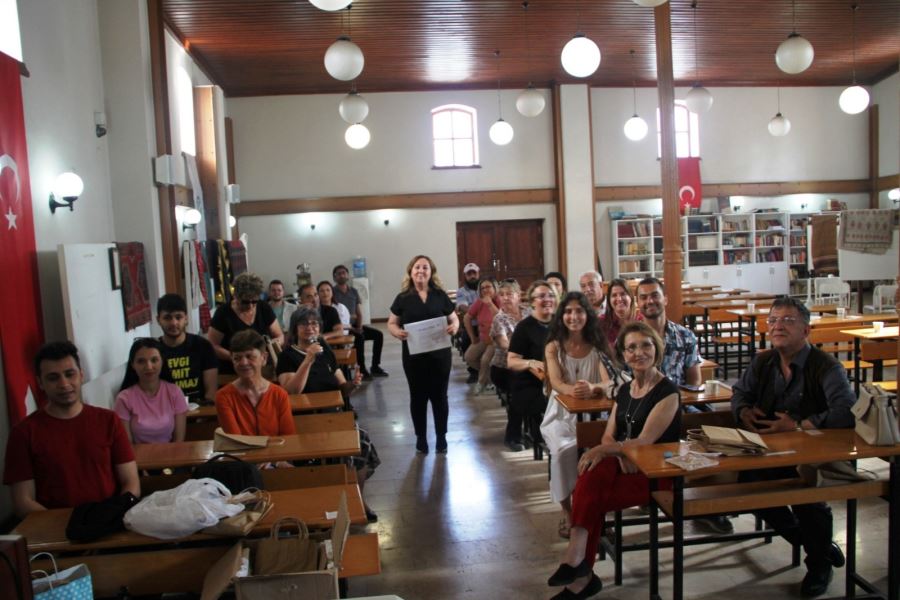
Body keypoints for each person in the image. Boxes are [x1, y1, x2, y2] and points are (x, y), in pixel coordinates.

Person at [731, 296, 854, 598]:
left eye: (788, 320)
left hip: (815, 454)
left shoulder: (826, 366)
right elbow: (739, 392)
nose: (778, 326)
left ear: (806, 330)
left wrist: (799, 425)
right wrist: (743, 411)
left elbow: (846, 410)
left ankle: (818, 566)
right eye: (773, 320)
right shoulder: (764, 362)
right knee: (750, 487)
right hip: (769, 451)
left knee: (806, 498)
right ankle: (818, 547)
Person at [547, 322, 680, 599]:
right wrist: (615, 453)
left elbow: (645, 441)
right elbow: (609, 435)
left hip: (656, 474)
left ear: (657, 349)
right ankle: (580, 568)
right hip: (623, 466)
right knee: (595, 474)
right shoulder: (625, 389)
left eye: (646, 345)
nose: (639, 352)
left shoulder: (668, 393)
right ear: (623, 354)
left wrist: (610, 451)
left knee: (589, 490)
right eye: (631, 348)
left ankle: (579, 566)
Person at [3, 342, 140, 517]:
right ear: (40, 383)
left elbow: (131, 482)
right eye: (53, 378)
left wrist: (111, 516)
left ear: (81, 375)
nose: (64, 384)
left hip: (108, 520)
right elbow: (23, 502)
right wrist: (69, 524)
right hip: (53, 526)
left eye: (70, 374)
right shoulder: (23, 433)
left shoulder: (109, 420)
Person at [276, 307, 381, 522]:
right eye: (304, 324)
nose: (310, 328)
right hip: (304, 421)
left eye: (314, 324)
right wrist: (308, 359)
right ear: (295, 329)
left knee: (361, 442)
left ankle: (358, 498)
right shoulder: (287, 356)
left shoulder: (325, 350)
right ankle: (332, 502)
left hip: (333, 417)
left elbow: (342, 387)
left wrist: (353, 384)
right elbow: (291, 392)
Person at [541, 292, 617, 541]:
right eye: (568, 311)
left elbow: (609, 382)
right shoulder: (554, 346)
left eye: (579, 311)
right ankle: (568, 511)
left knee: (599, 454)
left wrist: (594, 388)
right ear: (561, 316)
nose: (573, 316)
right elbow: (556, 382)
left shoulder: (597, 346)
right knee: (562, 452)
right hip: (561, 413)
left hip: (593, 413)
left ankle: (595, 509)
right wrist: (572, 390)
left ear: (588, 315)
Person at [388, 255, 460, 455]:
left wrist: (454, 327)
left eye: (425, 267)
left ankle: (441, 437)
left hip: (440, 356)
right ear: (411, 272)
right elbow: (392, 323)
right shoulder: (403, 298)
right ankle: (421, 437)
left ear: (431, 272)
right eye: (417, 267)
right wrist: (397, 332)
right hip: (414, 358)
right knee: (418, 397)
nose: (421, 271)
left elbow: (454, 318)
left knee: (440, 397)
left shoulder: (440, 295)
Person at [506, 281, 557, 453]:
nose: (547, 299)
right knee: (533, 399)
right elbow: (511, 361)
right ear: (532, 302)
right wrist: (530, 363)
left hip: (557, 378)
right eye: (541, 296)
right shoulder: (524, 327)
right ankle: (517, 436)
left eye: (551, 295)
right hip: (531, 380)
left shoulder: (560, 324)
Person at [215, 329, 295, 437]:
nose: (243, 363)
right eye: (237, 358)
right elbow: (235, 440)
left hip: (277, 448)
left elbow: (288, 437)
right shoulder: (224, 396)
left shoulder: (279, 395)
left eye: (250, 356)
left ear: (264, 358)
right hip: (239, 449)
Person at [114, 338, 188, 444]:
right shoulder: (124, 398)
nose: (149, 367)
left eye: (154, 360)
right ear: (132, 365)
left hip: (171, 453)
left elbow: (179, 440)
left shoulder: (175, 392)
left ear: (162, 361)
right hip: (137, 454)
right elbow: (127, 444)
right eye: (141, 361)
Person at [208, 272, 284, 374]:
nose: (250, 306)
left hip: (261, 368)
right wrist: (237, 358)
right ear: (235, 296)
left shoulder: (263, 308)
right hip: (232, 370)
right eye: (245, 302)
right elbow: (212, 346)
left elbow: (279, 335)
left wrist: (271, 347)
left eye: (254, 302)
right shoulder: (223, 313)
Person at [635, 277, 701, 387]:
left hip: (679, 396)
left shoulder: (686, 336)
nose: (650, 301)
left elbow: (694, 381)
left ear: (665, 299)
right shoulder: (629, 339)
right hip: (643, 397)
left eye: (655, 296)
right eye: (643, 297)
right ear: (638, 302)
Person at [156, 293, 218, 405]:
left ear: (186, 318)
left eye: (178, 317)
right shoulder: (153, 350)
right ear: (158, 320)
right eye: (167, 318)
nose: (173, 323)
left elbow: (211, 393)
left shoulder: (203, 346)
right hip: (164, 410)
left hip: (199, 409)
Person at [489, 279, 527, 451]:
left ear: (518, 296)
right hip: (503, 369)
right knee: (519, 391)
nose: (505, 298)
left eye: (509, 294)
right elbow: (505, 344)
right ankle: (513, 436)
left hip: (528, 365)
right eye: (502, 295)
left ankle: (539, 431)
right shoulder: (499, 319)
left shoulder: (529, 312)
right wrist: (528, 348)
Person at [333, 265, 388, 379]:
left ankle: (375, 366)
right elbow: (334, 314)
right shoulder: (332, 292)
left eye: (344, 273)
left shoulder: (353, 291)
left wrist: (359, 326)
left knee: (378, 335)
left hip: (354, 325)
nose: (342, 275)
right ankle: (362, 369)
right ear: (335, 277)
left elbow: (358, 313)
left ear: (347, 275)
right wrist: (352, 324)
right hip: (342, 328)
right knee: (359, 337)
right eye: (338, 273)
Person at [463, 277, 500, 394]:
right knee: (469, 357)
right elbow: (467, 317)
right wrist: (472, 337)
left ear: (495, 288)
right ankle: (491, 378)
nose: (485, 290)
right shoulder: (480, 302)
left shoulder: (500, 299)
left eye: (488, 287)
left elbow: (501, 319)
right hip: (483, 338)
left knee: (485, 360)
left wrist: (490, 304)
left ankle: (481, 383)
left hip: (497, 339)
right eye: (482, 288)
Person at [455, 262, 481, 382]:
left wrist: (474, 309)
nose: (472, 276)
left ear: (478, 273)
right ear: (465, 276)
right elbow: (462, 307)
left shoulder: (484, 287)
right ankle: (474, 371)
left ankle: (488, 370)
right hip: (472, 325)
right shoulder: (461, 291)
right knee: (465, 340)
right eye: (469, 274)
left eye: (474, 273)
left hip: (487, 324)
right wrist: (481, 310)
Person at [599, 277, 642, 348]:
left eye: (623, 294)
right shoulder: (601, 323)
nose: (619, 299)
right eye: (614, 295)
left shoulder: (642, 321)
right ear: (609, 300)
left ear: (631, 297)